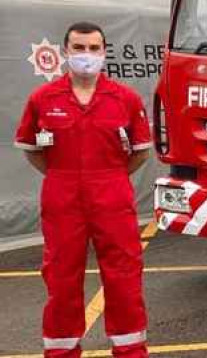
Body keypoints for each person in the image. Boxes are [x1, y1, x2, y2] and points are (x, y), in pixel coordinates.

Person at [14, 22, 152, 358]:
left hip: (112, 193)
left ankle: (130, 351)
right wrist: (64, 177)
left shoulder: (126, 99)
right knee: (61, 280)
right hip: (62, 194)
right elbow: (32, 149)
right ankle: (61, 352)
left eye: (93, 48)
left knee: (124, 279)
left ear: (104, 52)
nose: (86, 55)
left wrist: (112, 177)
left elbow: (142, 152)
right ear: (65, 52)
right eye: (79, 48)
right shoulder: (43, 99)